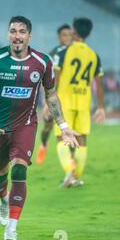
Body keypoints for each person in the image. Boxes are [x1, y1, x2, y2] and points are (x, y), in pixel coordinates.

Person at [0, 16, 79, 240]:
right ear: (8, 34)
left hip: (25, 125)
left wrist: (63, 126)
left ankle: (11, 228)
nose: (17, 35)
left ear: (30, 36)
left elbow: (50, 93)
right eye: (13, 31)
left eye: (22, 31)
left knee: (19, 171)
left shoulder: (42, 61)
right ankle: (3, 200)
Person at [53, 18, 105, 188]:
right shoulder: (94, 55)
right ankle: (76, 177)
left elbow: (56, 80)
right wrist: (101, 107)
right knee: (82, 140)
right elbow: (98, 84)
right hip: (84, 103)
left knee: (61, 137)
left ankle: (69, 171)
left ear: (74, 32)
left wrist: (49, 103)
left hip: (64, 102)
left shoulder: (63, 52)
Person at [36, 24, 72, 165]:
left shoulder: (74, 53)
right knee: (47, 128)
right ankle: (44, 144)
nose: (68, 38)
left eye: (70, 35)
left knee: (69, 128)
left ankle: (71, 164)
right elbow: (44, 79)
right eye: (64, 35)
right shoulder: (53, 54)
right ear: (59, 37)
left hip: (69, 98)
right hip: (53, 96)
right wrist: (46, 103)